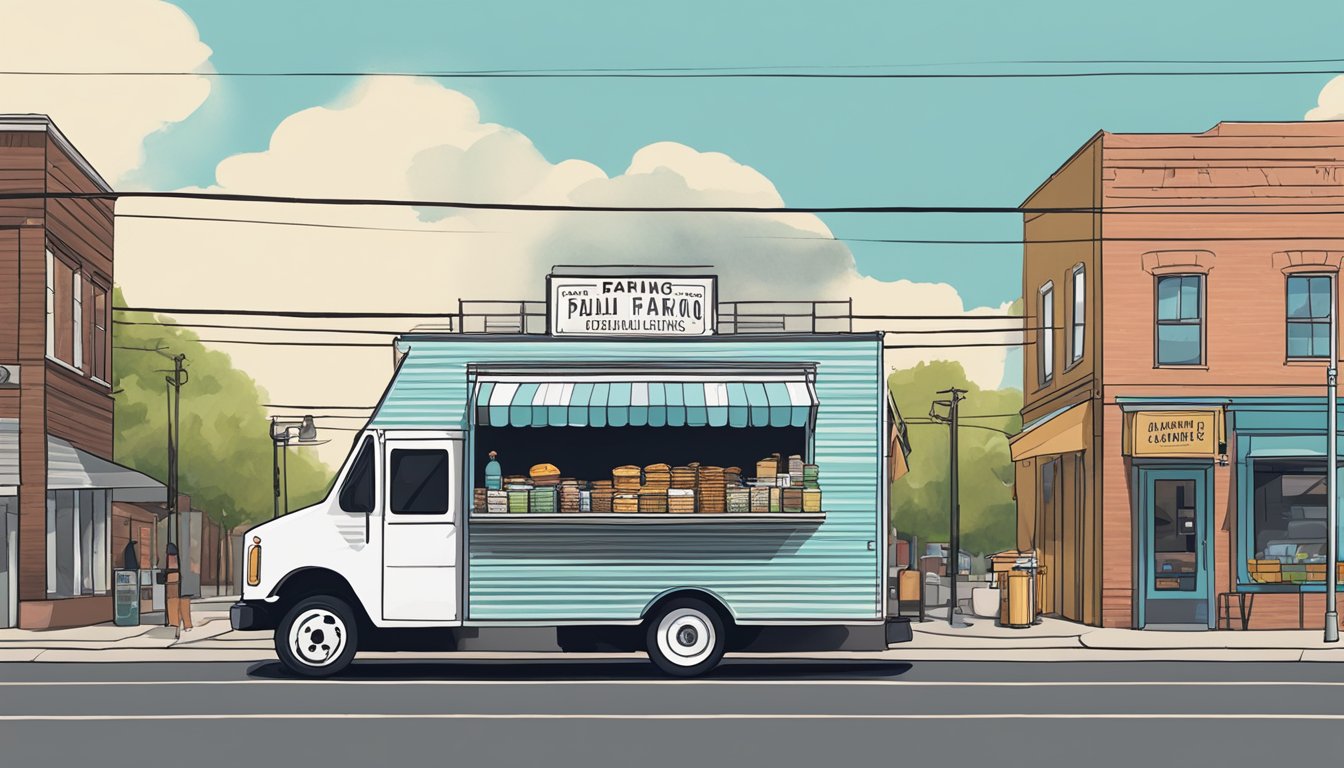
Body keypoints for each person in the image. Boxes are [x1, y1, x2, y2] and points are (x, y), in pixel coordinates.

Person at [165, 542, 193, 638]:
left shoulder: (172, 559)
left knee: (172, 601)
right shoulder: (185, 562)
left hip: (173, 579)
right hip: (182, 582)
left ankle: (175, 624)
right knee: (184, 601)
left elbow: (172, 567)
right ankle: (187, 625)